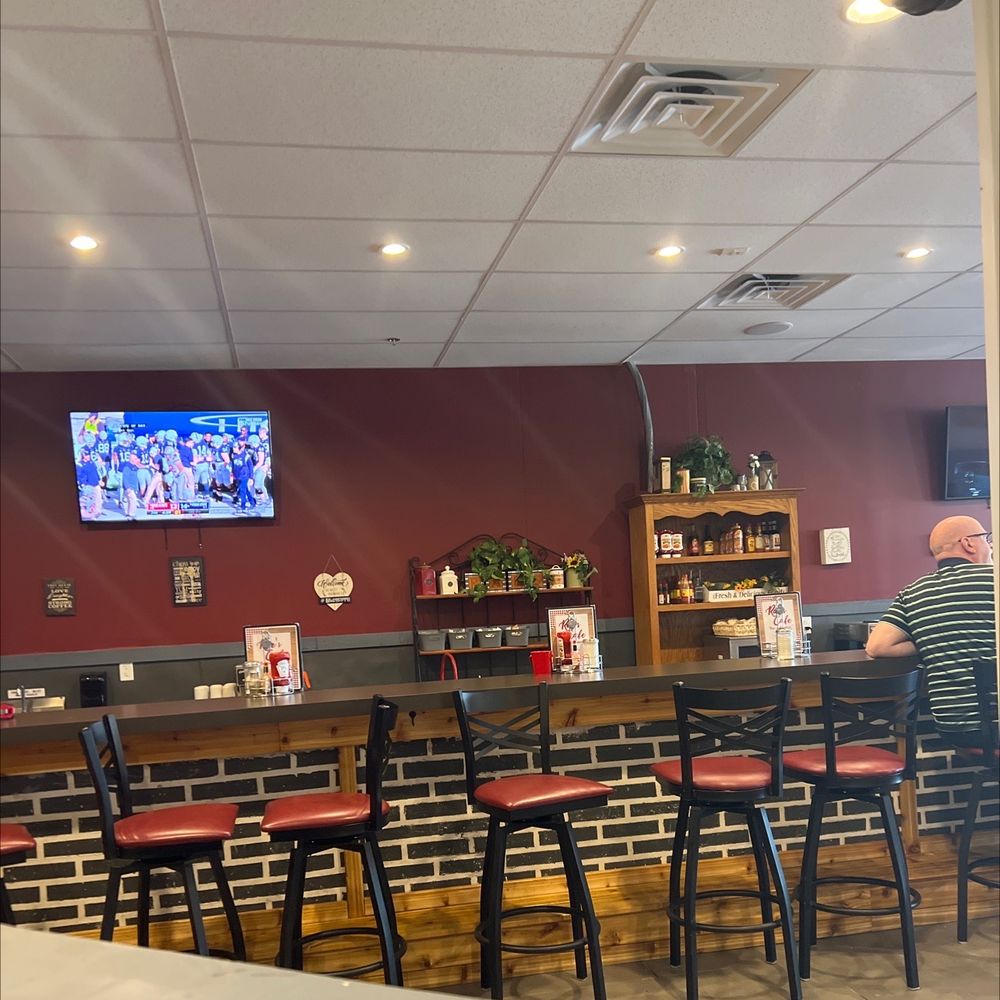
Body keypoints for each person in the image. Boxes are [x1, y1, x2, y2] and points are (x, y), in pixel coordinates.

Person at [866, 515, 995, 747]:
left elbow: (877, 646)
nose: (990, 546)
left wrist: (932, 637)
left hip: (955, 728)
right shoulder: (995, 580)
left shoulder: (913, 592)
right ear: (969, 543)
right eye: (987, 538)